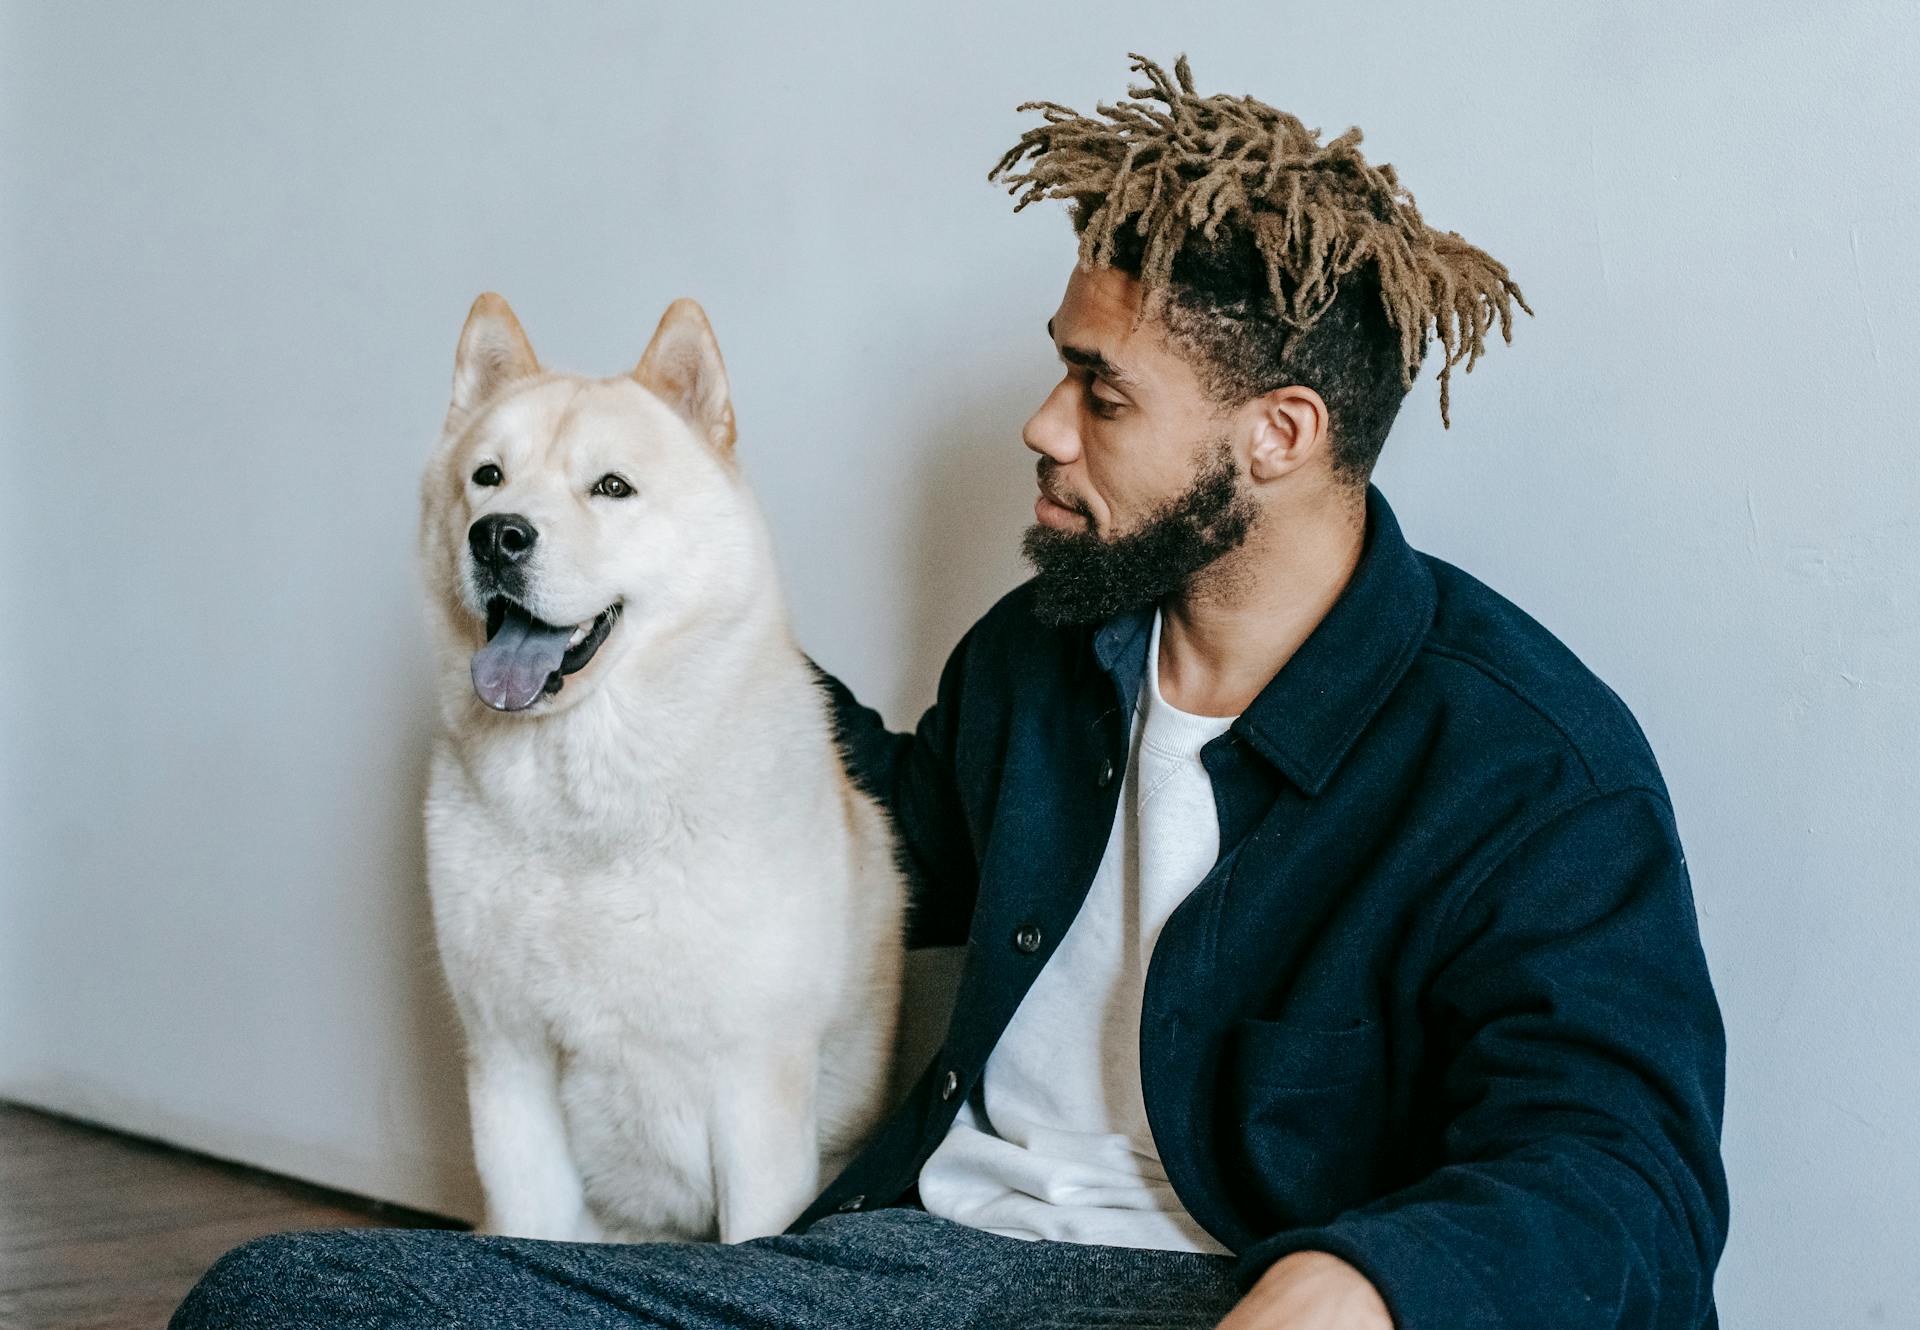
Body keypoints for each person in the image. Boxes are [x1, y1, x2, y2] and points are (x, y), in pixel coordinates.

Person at [171, 52, 1727, 1330]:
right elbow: (863, 817)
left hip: (1211, 1299)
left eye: (1101, 390)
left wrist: (1366, 1283)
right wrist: (660, 604)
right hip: (893, 1265)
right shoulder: (1044, 655)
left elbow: (1626, 1167)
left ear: (1281, 433)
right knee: (282, 1298)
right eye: (1061, 367)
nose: (1045, 425)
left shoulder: (1528, 766)